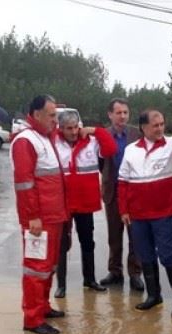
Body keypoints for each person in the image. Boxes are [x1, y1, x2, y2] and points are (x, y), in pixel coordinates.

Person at [118, 106, 172, 317]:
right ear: (143, 127)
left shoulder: (171, 144)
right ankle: (154, 296)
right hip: (138, 214)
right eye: (155, 125)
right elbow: (123, 181)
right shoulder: (131, 149)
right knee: (145, 255)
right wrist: (124, 210)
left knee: (169, 255)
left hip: (163, 212)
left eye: (162, 124)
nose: (160, 129)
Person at [11, 94, 69, 334]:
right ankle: (32, 319)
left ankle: (43, 307)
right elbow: (25, 183)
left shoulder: (46, 136)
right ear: (36, 115)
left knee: (49, 266)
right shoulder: (26, 141)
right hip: (39, 219)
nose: (56, 120)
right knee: (36, 268)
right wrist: (32, 217)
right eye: (52, 115)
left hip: (54, 215)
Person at [53, 110, 117, 298]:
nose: (73, 132)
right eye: (68, 129)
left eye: (75, 127)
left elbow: (111, 149)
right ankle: (61, 285)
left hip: (85, 201)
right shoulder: (54, 142)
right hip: (63, 201)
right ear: (61, 128)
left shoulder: (92, 140)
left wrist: (95, 130)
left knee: (87, 242)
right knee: (62, 244)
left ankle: (89, 280)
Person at [99, 98, 144, 291]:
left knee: (135, 235)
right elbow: (100, 162)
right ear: (110, 115)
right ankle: (115, 272)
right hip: (112, 190)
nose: (122, 116)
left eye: (125, 112)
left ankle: (135, 273)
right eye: (118, 113)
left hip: (134, 192)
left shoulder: (137, 133)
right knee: (114, 235)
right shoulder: (103, 135)